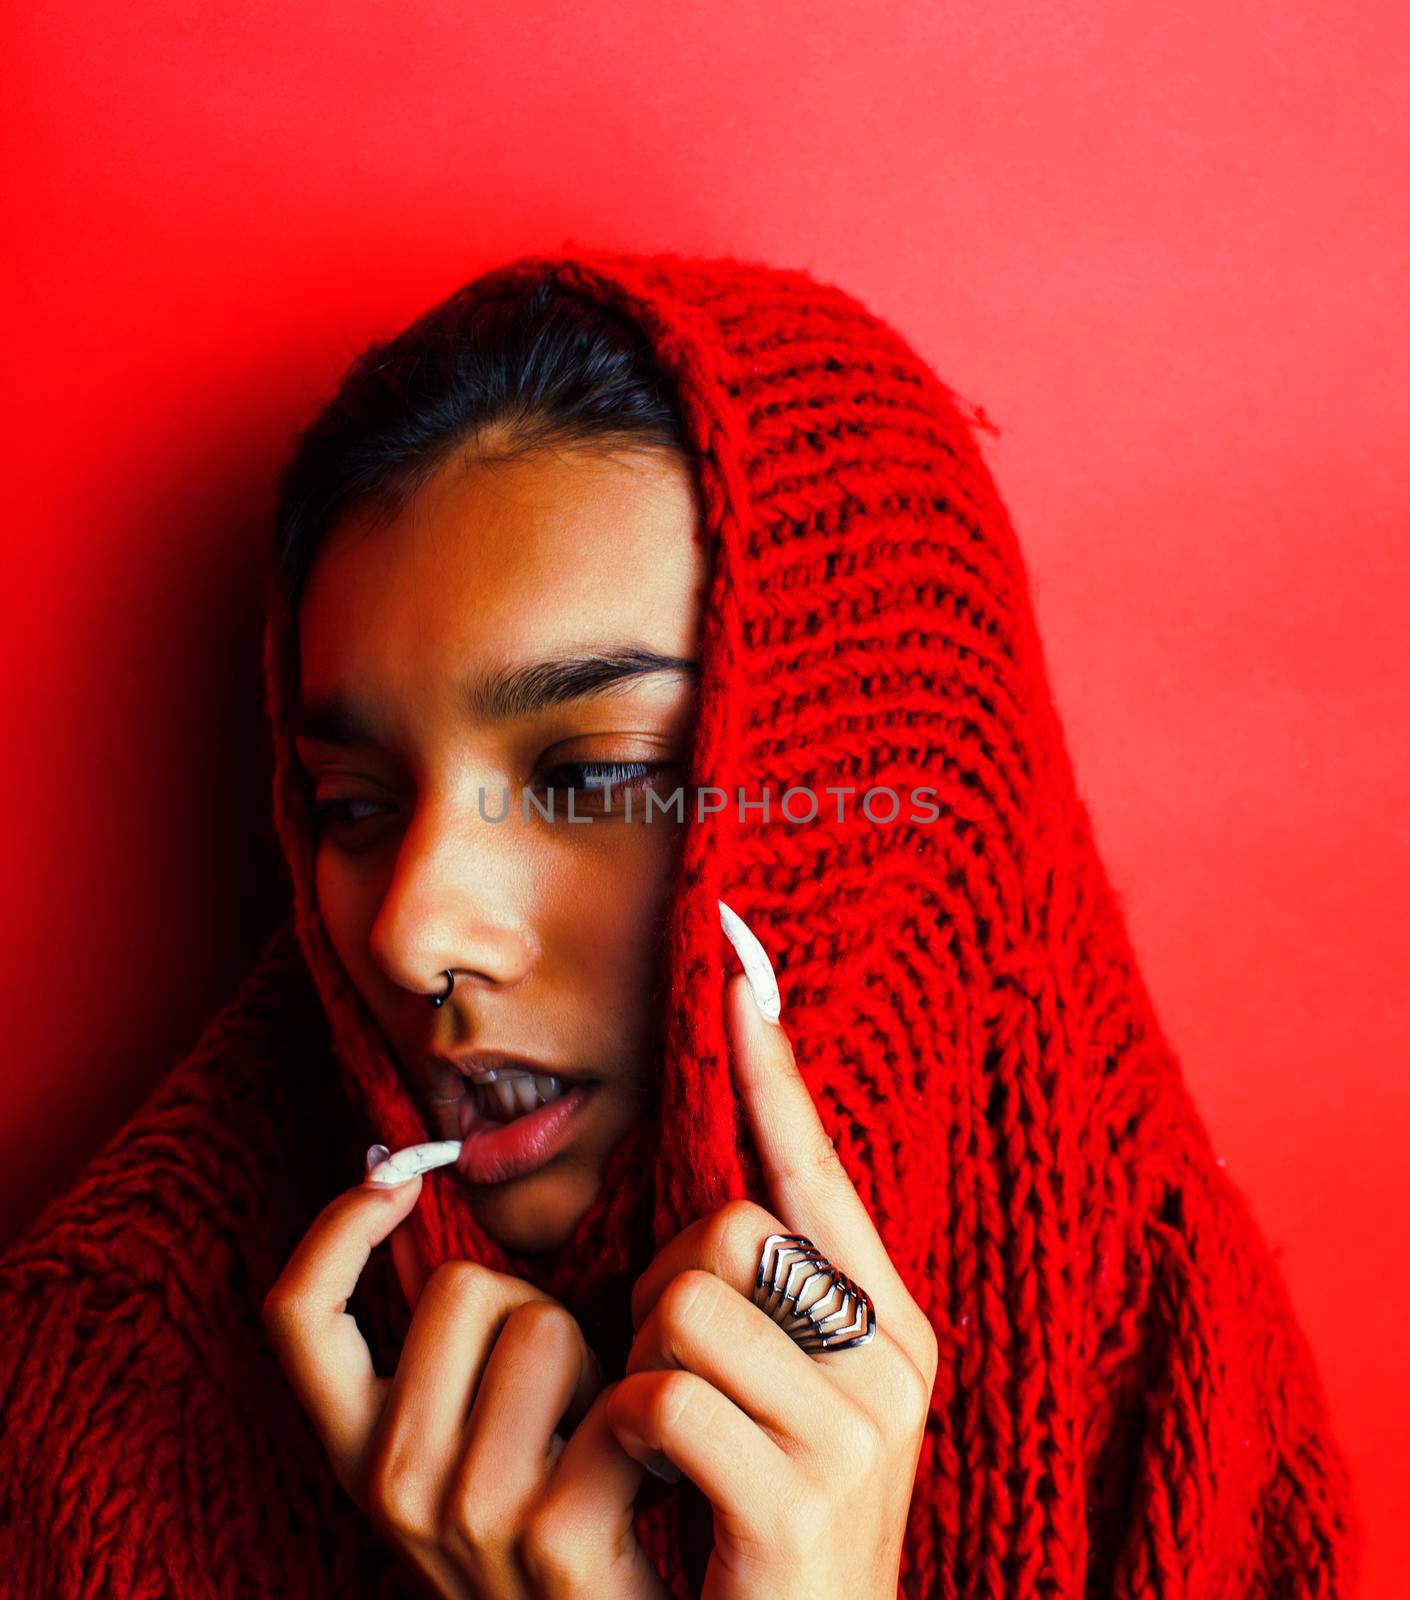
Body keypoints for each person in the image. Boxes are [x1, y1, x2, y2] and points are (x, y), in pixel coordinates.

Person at [0, 249, 1361, 1598]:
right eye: (349, 807)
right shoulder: (113, 1397)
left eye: (590, 781)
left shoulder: (1177, 1390)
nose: (411, 934)